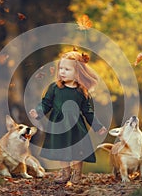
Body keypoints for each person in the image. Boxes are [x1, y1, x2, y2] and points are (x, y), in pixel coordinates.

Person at [29, 50, 107, 184]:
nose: (62, 72)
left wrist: (97, 126)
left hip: (76, 126)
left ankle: (77, 174)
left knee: (78, 151)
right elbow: (46, 103)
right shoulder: (54, 88)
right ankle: (65, 173)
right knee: (62, 149)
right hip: (58, 124)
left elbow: (88, 111)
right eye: (60, 68)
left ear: (77, 72)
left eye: (67, 69)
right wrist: (38, 112)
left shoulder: (81, 91)